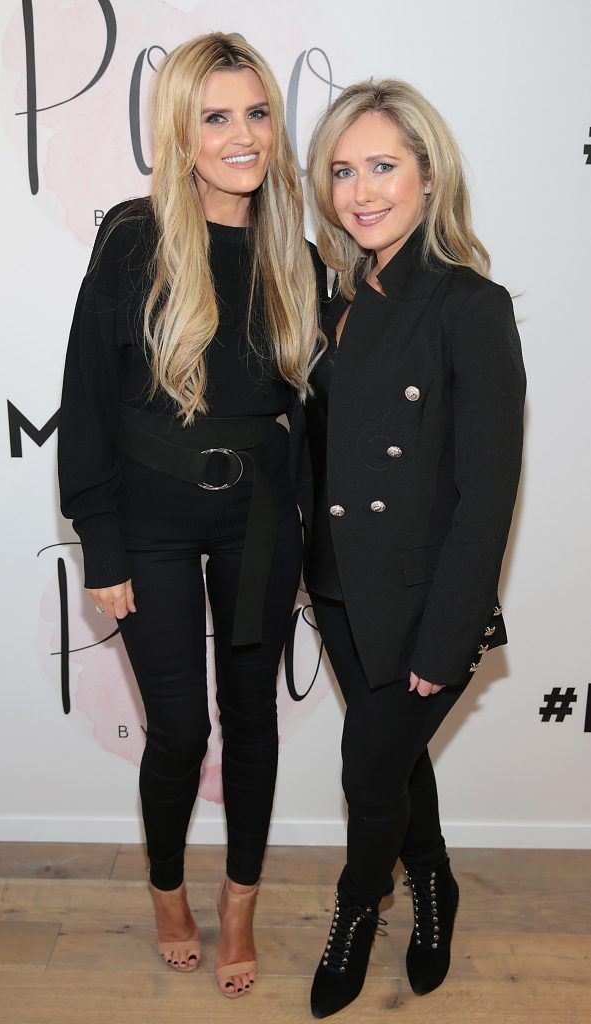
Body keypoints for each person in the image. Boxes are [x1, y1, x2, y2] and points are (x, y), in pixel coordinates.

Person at [58, 32, 324, 999]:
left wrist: (310, 534)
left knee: (252, 721)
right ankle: (168, 888)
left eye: (256, 112)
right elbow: (86, 396)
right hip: (151, 524)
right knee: (178, 732)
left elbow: (312, 416)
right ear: (180, 131)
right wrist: (101, 540)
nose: (241, 134)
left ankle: (240, 900)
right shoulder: (134, 238)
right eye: (216, 116)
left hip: (259, 526)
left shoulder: (294, 256)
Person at [301, 79, 526, 1017]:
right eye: (343, 170)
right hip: (340, 589)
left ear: (428, 177)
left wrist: (446, 640)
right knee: (392, 762)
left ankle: (361, 907)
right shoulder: (333, 294)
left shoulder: (468, 304)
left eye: (383, 166)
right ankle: (433, 879)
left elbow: (486, 494)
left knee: (365, 769)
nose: (360, 191)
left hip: (419, 600)